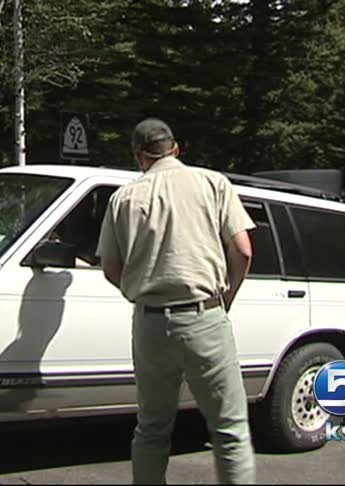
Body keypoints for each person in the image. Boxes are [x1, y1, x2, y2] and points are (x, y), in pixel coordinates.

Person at [96, 118, 257, 484]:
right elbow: (244, 250)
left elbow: (110, 268)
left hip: (150, 323)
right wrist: (225, 298)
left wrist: (141, 292)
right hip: (204, 316)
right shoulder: (213, 184)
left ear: (139, 157)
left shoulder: (123, 198)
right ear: (176, 149)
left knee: (152, 428)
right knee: (230, 429)